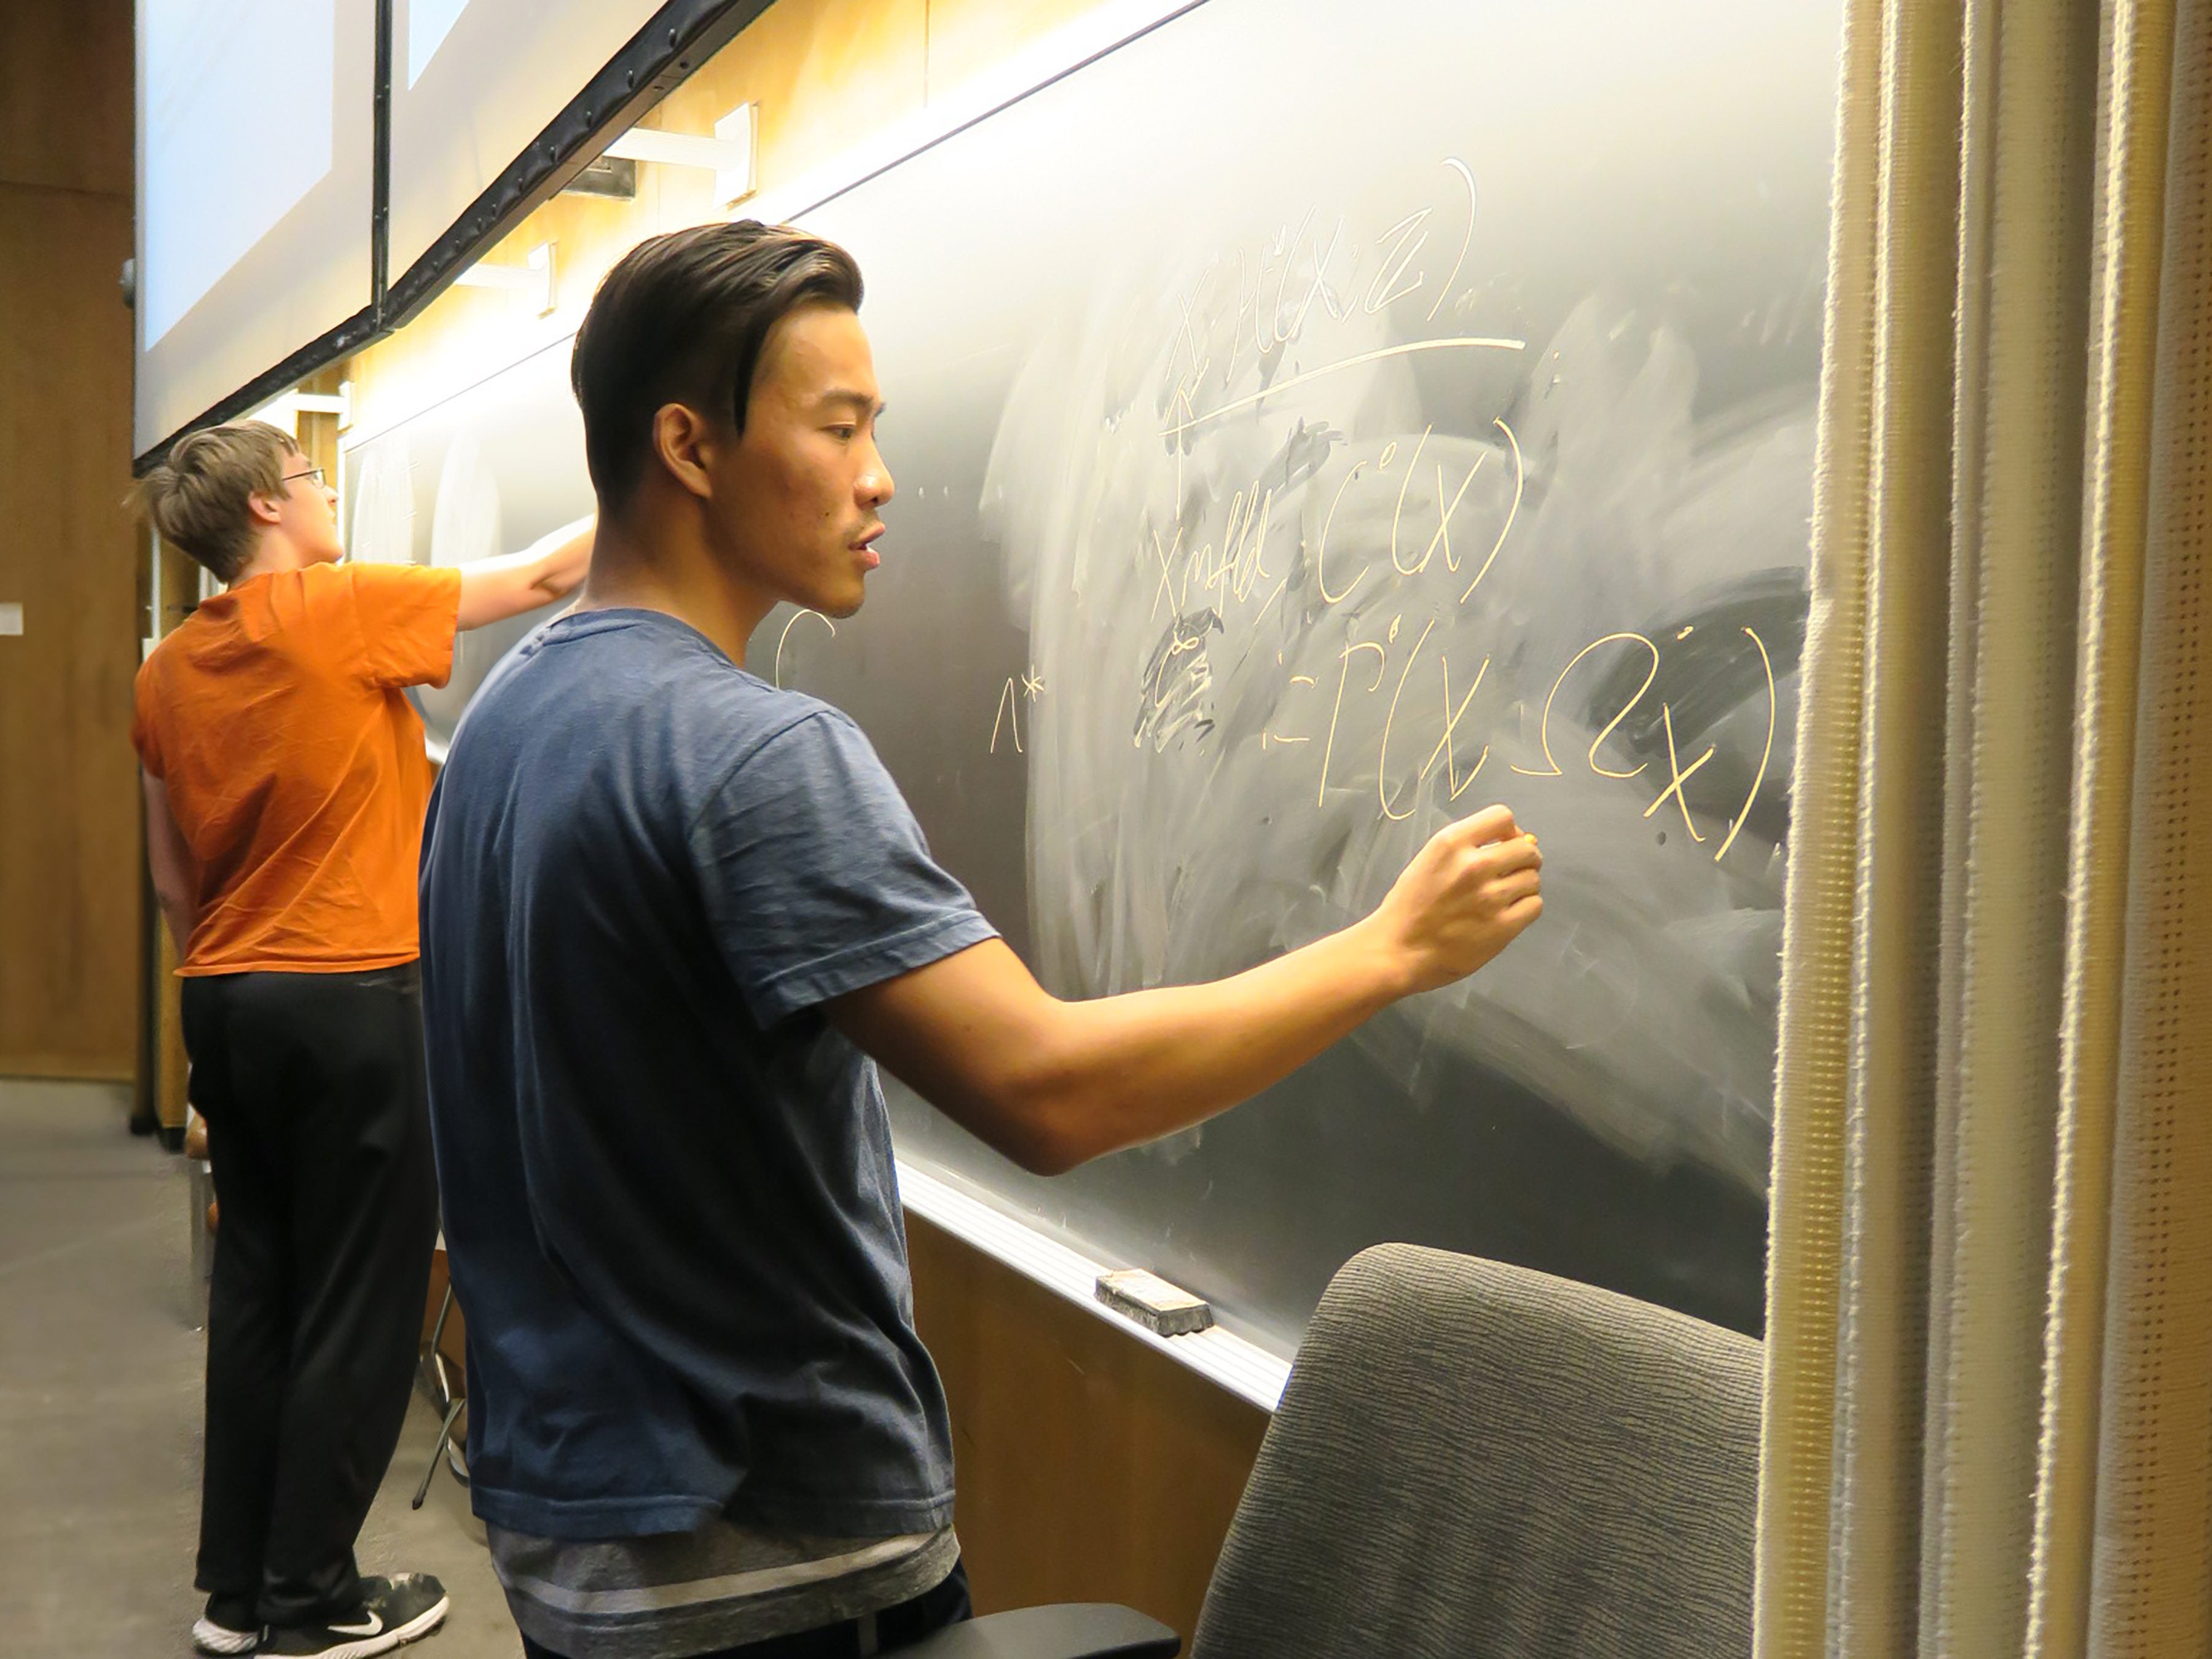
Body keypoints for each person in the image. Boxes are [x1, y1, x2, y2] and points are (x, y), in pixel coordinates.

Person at [417, 221, 1543, 1659]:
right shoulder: (754, 758)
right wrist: (1387, 950)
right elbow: (1049, 1090)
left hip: (574, 1540)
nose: (881, 475)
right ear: (691, 446)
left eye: (876, 426)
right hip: (771, 1569)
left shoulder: (510, 714)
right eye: (837, 428)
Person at [131, 420, 594, 1659]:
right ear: (271, 513)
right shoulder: (336, 608)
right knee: (363, 1304)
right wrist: (665, 465)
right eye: (309, 477)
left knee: (265, 1287)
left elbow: (174, 881)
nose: (326, 491)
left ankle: (238, 1591)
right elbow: (551, 575)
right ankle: (315, 1601)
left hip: (225, 999)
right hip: (350, 995)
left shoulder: (167, 668)